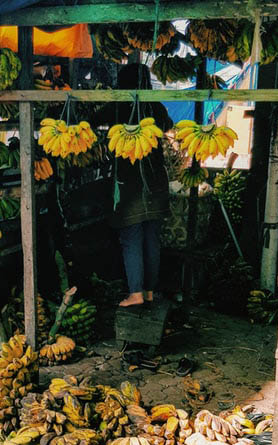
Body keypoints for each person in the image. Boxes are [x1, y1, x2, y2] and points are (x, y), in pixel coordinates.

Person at [95, 63, 174, 307]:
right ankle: (148, 291)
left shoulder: (118, 106)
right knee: (151, 239)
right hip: (156, 184)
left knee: (132, 239)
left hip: (130, 187)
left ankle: (136, 293)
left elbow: (92, 120)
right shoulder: (155, 106)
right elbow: (168, 125)